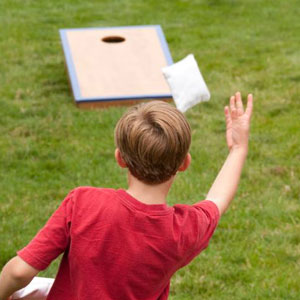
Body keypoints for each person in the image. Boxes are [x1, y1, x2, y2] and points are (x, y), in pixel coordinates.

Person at [0, 92, 253, 300]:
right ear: (184, 163)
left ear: (119, 157)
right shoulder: (184, 230)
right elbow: (217, 200)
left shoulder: (82, 202)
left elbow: (19, 272)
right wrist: (238, 148)